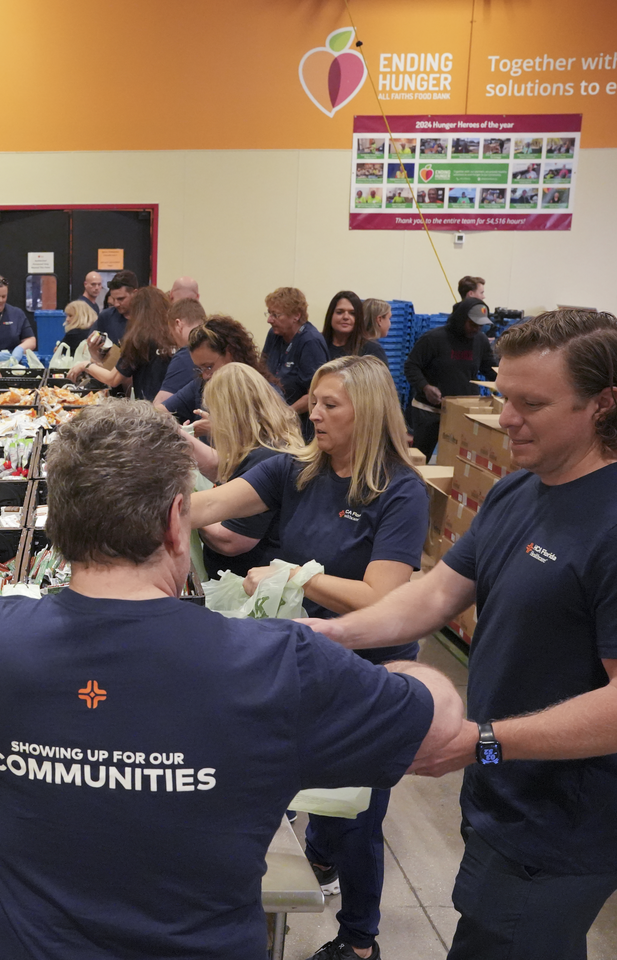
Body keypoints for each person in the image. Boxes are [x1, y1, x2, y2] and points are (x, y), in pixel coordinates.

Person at [0, 400, 463, 960]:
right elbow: (441, 723)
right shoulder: (273, 666)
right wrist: (344, 642)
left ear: (59, 520)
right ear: (178, 521)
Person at [305, 311, 617, 960]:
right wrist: (327, 635)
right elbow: (433, 595)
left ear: (603, 404)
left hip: (563, 827)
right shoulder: (521, 490)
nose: (505, 417)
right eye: (502, 395)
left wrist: (479, 743)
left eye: (531, 403)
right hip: (501, 795)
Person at [188, 355, 430, 960]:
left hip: (368, 669)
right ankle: (319, 853)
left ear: (368, 411)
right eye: (313, 401)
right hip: (305, 655)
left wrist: (294, 575)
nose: (312, 413)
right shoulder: (292, 471)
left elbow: (382, 597)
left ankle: (359, 938)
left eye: (330, 405)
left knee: (359, 811)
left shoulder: (398, 491)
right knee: (311, 785)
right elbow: (205, 508)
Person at [197, 363, 302, 578]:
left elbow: (231, 540)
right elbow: (222, 466)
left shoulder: (267, 457)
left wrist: (192, 511)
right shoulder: (268, 446)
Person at [403, 297, 498, 458]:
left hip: (461, 411)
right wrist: (425, 387)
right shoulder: (433, 339)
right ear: (461, 320)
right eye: (472, 324)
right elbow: (411, 366)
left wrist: (505, 379)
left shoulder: (480, 341)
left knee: (457, 458)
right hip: (429, 411)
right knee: (421, 457)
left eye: (480, 326)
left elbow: (489, 368)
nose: (476, 329)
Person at [158, 316, 278, 428]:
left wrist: (219, 429)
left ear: (230, 353)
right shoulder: (201, 386)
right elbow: (160, 411)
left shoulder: (264, 391)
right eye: (200, 368)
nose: (205, 375)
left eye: (209, 366)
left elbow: (271, 440)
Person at [67, 286, 177, 401]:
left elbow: (113, 379)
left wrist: (86, 365)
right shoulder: (174, 336)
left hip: (150, 407)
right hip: (176, 406)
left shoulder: (139, 339)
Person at [263, 286, 331, 441]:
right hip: (274, 421)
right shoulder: (274, 334)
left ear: (296, 316)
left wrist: (284, 414)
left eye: (276, 315)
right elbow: (263, 372)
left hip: (301, 429)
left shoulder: (310, 342)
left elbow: (314, 394)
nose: (269, 320)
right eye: (269, 313)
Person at [152, 298, 209, 404]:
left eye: (171, 332)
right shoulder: (214, 349)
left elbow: (159, 405)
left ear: (178, 324)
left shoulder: (185, 355)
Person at [322, 291, 389, 365]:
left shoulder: (372, 350)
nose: (345, 317)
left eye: (352, 313)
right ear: (330, 315)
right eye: (339, 312)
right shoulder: (318, 344)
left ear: (359, 318)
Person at [0, 276, 35, 362]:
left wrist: (20, 349)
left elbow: (30, 340)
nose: (0, 300)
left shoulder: (17, 314)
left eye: (3, 296)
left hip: (13, 365)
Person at [87, 269, 138, 361]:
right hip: (111, 371)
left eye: (121, 299)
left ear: (134, 293)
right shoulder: (106, 317)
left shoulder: (147, 318)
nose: (116, 304)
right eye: (114, 299)